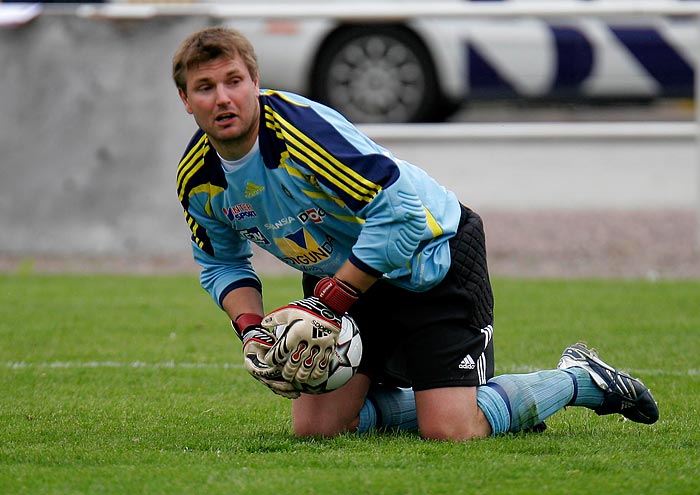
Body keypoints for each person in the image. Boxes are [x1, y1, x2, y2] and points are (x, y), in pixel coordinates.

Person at [172, 26, 658, 441]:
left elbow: (401, 212)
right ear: (186, 100)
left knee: (450, 430)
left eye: (234, 81)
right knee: (317, 430)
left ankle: (577, 378)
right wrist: (251, 331)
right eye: (205, 87)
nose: (223, 98)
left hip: (431, 255)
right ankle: (440, 393)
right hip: (344, 279)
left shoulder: (302, 133)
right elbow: (222, 262)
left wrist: (329, 302)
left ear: (255, 81)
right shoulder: (198, 178)